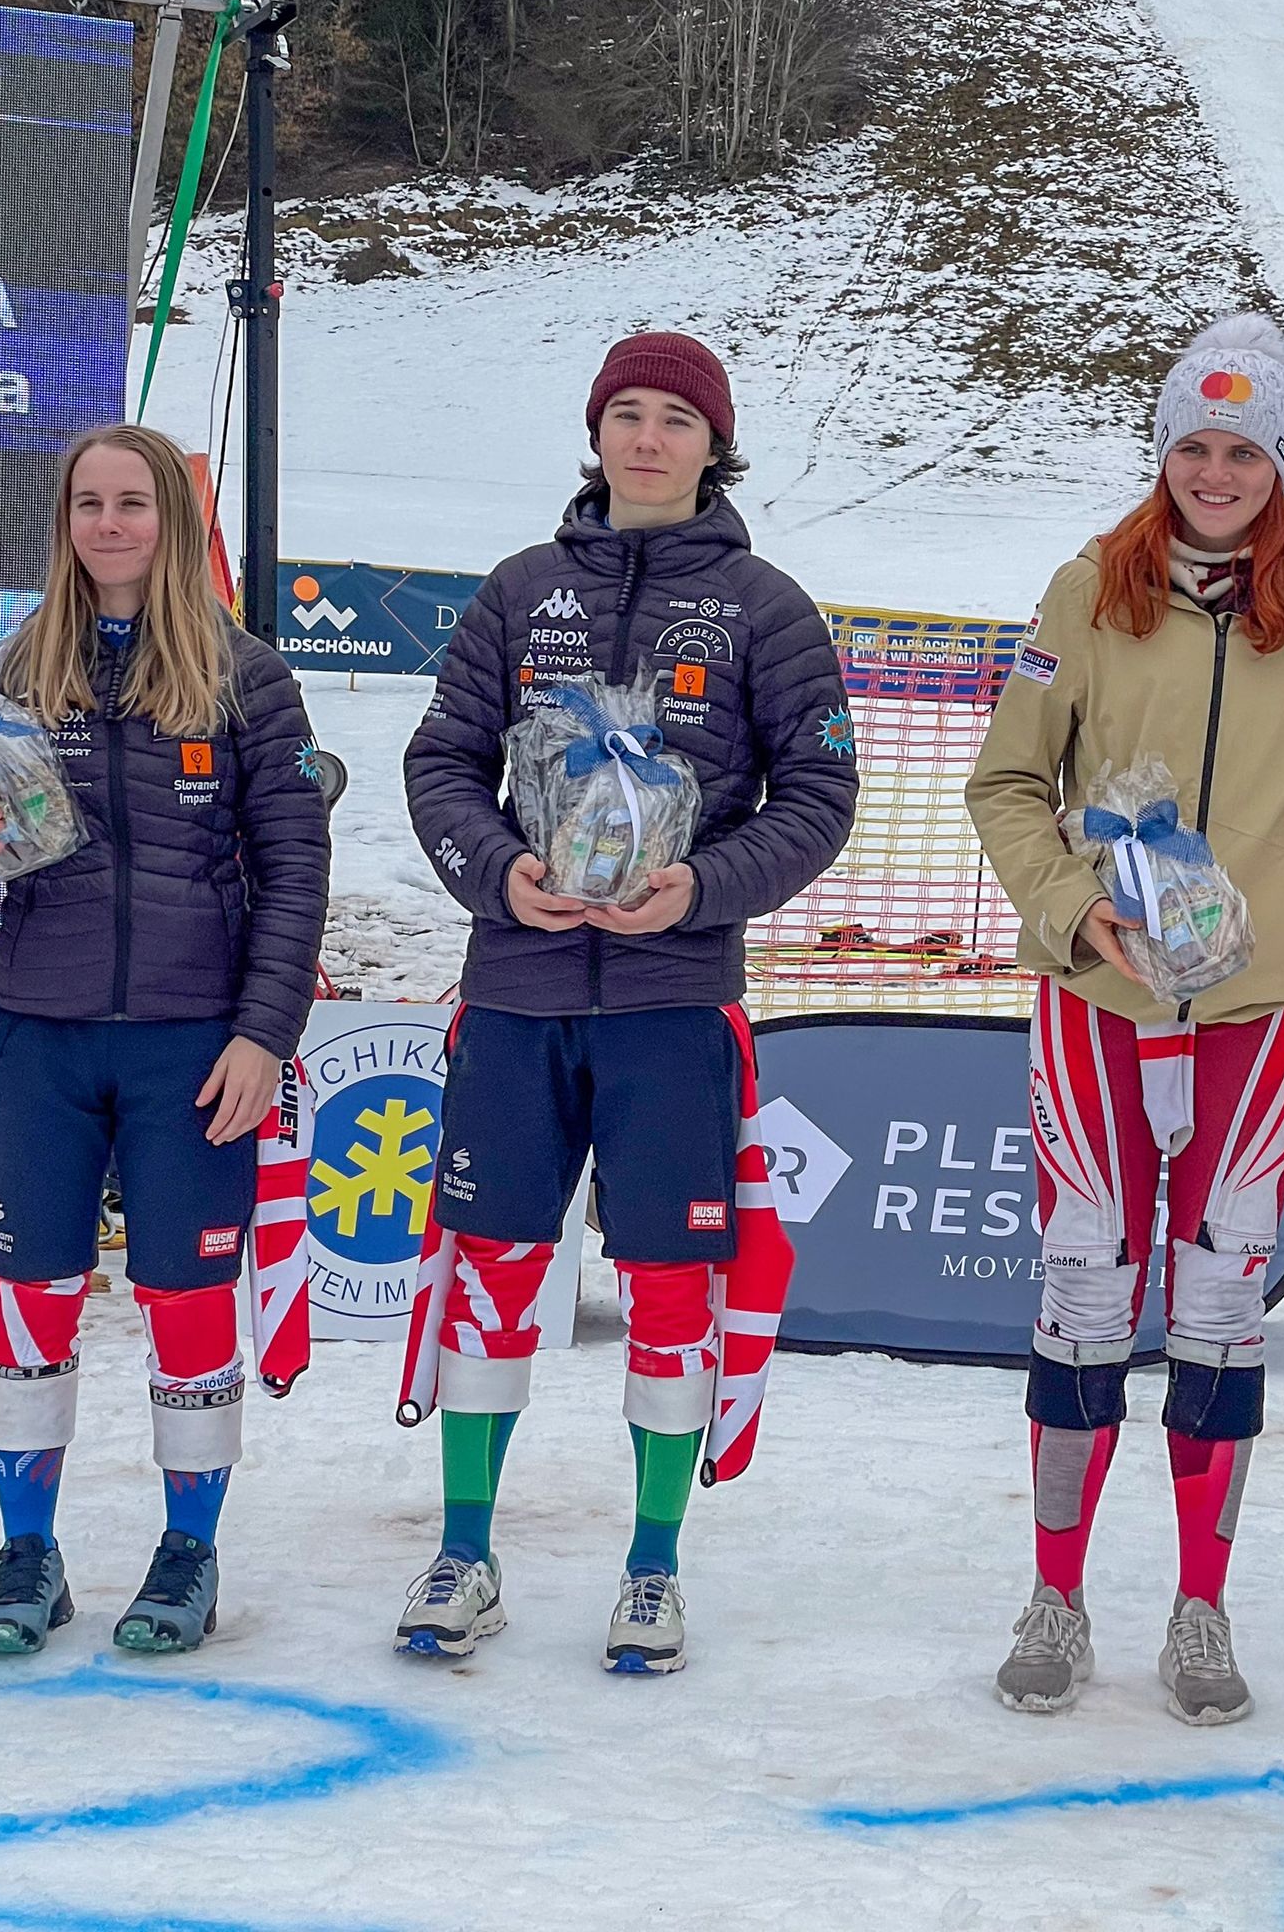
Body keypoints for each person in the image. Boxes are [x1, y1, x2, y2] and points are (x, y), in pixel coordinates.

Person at [398, 331, 857, 1674]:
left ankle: (653, 1567)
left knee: (670, 1280)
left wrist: (703, 887)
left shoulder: (768, 606)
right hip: (520, 998)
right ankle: (465, 1553)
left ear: (716, 446)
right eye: (626, 415)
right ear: (596, 436)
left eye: (675, 419)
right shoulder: (519, 590)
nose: (647, 438)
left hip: (674, 1004)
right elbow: (440, 764)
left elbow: (822, 799)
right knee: (492, 1269)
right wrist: (500, 873)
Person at [965, 313, 1284, 1725]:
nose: (1216, 475)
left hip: (1261, 1009)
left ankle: (1201, 1610)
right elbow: (1007, 787)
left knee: (1219, 1305)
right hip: (1100, 992)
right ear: (1163, 456)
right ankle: (1059, 1593)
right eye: (1193, 449)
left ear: (1280, 461)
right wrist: (1080, 910)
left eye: (1243, 450)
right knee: (1085, 1285)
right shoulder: (1088, 590)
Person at [0, 423, 331, 1658]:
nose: (109, 524)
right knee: (33, 1291)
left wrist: (263, 1033)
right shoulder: (15, 669)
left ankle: (186, 1553)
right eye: (89, 504)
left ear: (175, 520)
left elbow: (296, 868)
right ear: (66, 524)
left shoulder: (248, 677)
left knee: (187, 1294)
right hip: (41, 1039)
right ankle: (28, 1556)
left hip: (191, 1049)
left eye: (133, 503)